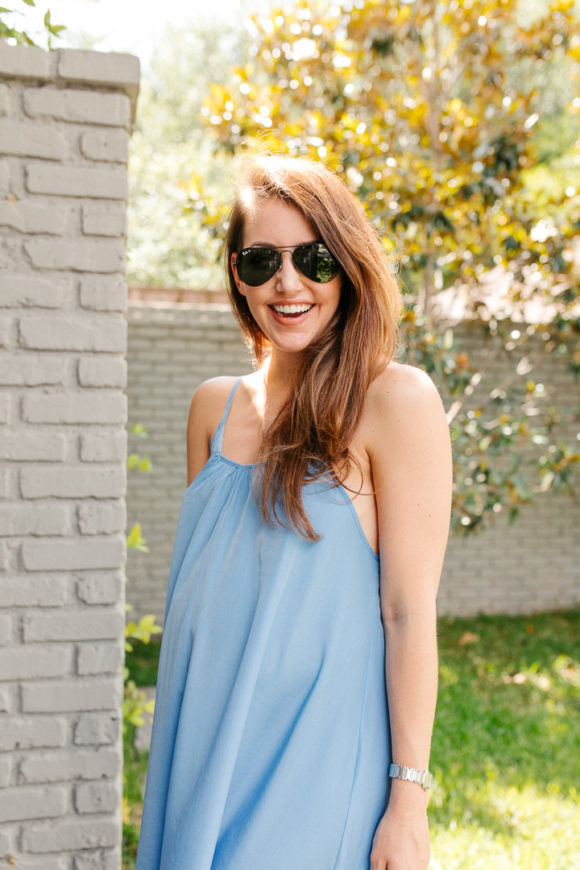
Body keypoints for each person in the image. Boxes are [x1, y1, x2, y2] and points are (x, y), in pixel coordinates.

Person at [135, 154, 452, 870]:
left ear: (347, 265)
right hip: (205, 746)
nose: (288, 283)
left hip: (318, 756)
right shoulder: (211, 408)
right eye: (260, 260)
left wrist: (408, 802)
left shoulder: (394, 402)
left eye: (313, 258)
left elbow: (408, 613)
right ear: (236, 274)